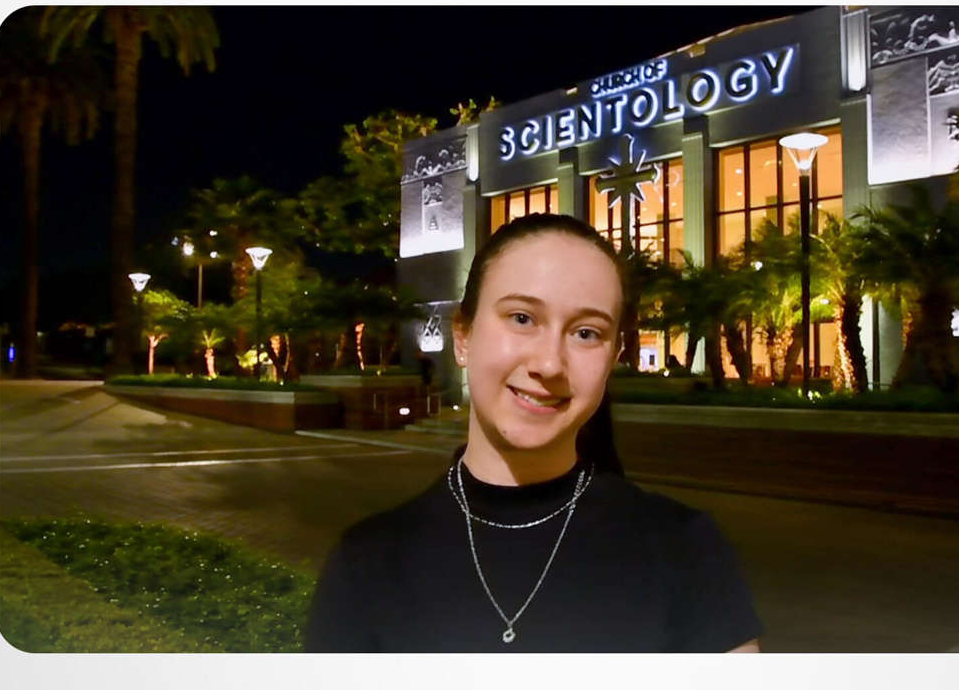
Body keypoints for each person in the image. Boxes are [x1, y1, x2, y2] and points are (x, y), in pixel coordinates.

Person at [304, 214, 763, 652]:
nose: (549, 363)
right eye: (522, 318)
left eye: (586, 333)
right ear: (463, 336)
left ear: (612, 357)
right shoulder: (367, 563)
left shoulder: (684, 549)